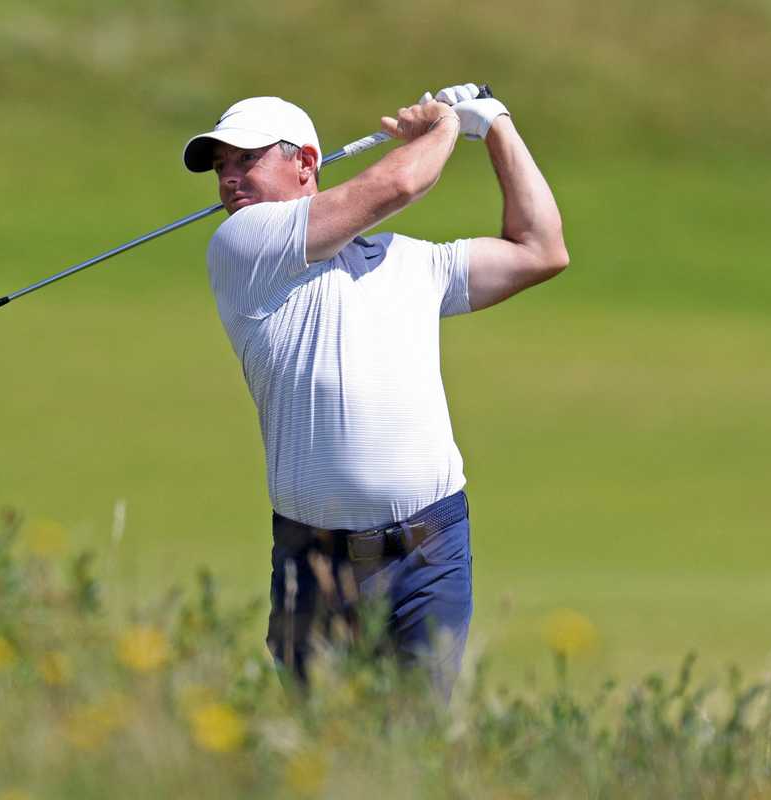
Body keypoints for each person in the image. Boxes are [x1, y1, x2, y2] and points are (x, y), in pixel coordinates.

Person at [182, 84, 568, 699]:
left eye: (244, 159)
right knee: (315, 758)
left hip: (429, 552)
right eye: (220, 167)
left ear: (305, 162)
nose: (229, 179)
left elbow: (541, 250)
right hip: (314, 562)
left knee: (414, 757)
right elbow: (398, 186)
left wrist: (495, 123)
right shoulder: (242, 246)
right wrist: (444, 126)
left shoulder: (409, 262)